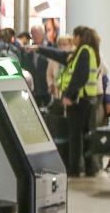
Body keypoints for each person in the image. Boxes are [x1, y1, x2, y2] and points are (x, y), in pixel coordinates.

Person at [39, 26, 101, 177]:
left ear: (79, 36)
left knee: (75, 136)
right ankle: (89, 168)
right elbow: (61, 55)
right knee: (86, 135)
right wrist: (39, 49)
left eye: (74, 36)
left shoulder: (84, 51)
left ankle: (74, 169)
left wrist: (68, 96)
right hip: (88, 99)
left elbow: (80, 76)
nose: (73, 39)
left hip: (79, 100)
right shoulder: (87, 51)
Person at [23, 25, 51, 107]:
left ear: (43, 33)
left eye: (37, 33)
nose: (35, 36)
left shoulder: (51, 48)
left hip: (47, 87)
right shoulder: (28, 50)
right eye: (33, 34)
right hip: (33, 89)